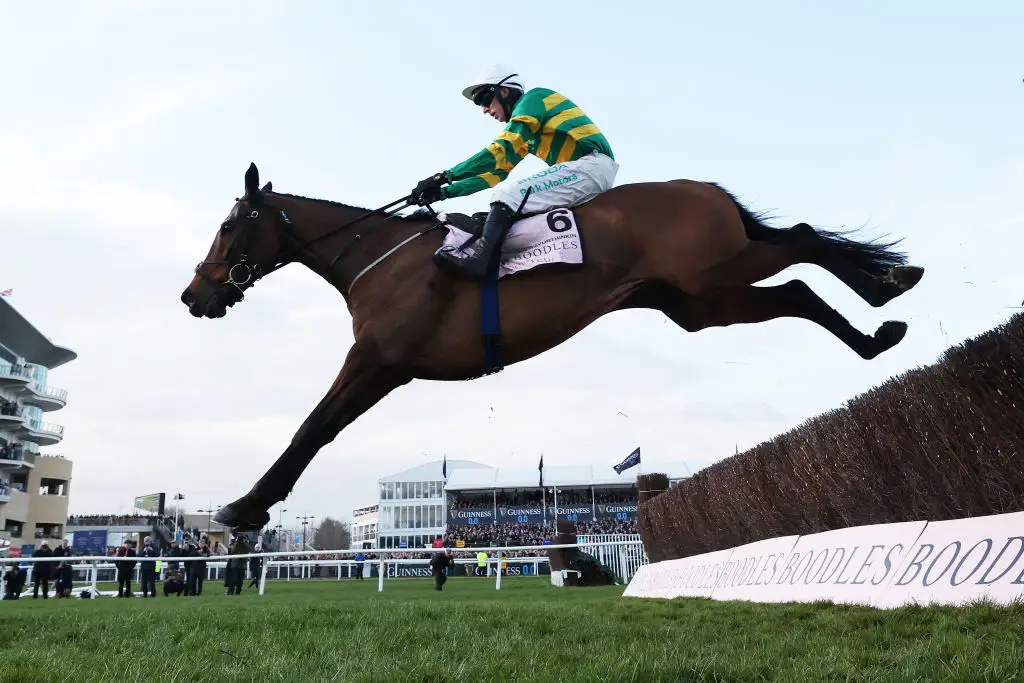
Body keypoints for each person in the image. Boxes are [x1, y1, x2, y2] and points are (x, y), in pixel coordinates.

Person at [411, 65, 618, 280]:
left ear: (504, 91)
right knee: (495, 212)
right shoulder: (528, 135)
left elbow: (498, 152)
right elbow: (494, 174)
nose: (484, 109)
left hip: (591, 166)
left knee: (508, 194)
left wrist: (443, 177)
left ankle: (481, 262)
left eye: (484, 99)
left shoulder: (534, 99)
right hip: (581, 173)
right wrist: (443, 193)